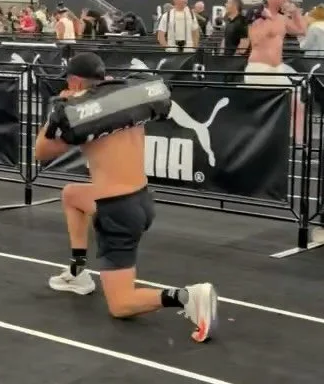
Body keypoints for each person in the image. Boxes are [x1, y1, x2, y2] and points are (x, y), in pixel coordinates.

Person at [34, 51, 217, 339]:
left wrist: (62, 108)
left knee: (121, 304)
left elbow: (41, 151)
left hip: (117, 212)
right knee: (72, 195)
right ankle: (78, 272)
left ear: (75, 81)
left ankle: (187, 296)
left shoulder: (82, 112)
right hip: (140, 200)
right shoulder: (126, 98)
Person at [245, 0, 307, 140]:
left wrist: (295, 13)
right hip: (259, 68)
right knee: (261, 110)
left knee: (296, 104)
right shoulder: (258, 15)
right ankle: (257, 141)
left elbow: (302, 30)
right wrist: (268, 20)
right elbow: (256, 40)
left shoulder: (282, 19)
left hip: (277, 69)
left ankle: (293, 141)